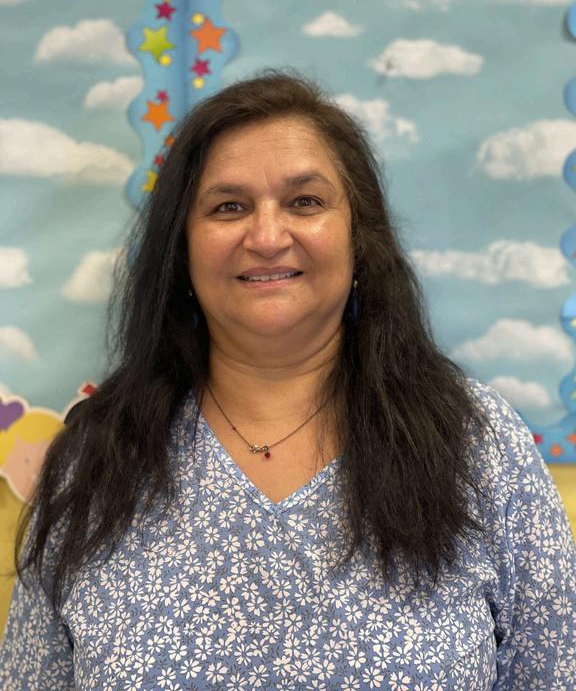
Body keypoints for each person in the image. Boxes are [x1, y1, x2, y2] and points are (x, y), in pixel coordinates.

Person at [1, 70, 575, 690]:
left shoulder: (478, 444)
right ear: (182, 251)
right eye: (228, 207)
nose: (268, 237)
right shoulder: (94, 466)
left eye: (305, 202)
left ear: (358, 238)